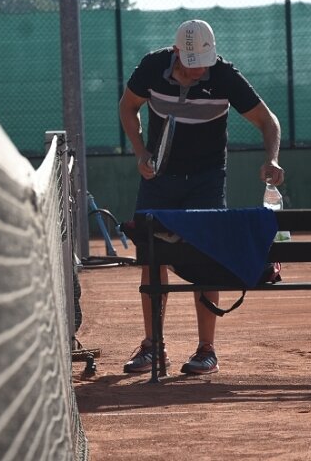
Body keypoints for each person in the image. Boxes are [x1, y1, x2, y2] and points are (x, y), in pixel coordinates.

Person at [119, 19, 285, 375]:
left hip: (206, 180)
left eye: (204, 63)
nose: (199, 71)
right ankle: (153, 347)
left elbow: (268, 121)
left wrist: (271, 158)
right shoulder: (151, 67)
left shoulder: (223, 76)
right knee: (152, 260)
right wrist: (139, 152)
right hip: (158, 178)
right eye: (193, 64)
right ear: (177, 53)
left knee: (207, 259)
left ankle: (206, 350)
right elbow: (128, 107)